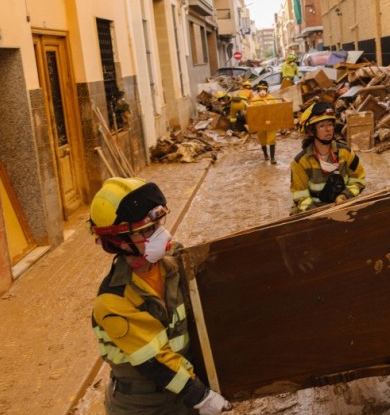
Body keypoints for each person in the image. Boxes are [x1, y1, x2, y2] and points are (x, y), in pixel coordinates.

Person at [89, 177, 232, 415]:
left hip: (181, 393)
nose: (161, 234)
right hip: (144, 406)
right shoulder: (114, 301)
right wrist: (201, 396)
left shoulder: (174, 263)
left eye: (158, 225)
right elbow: (155, 360)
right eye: (146, 230)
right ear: (120, 242)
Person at [290, 101, 366, 213]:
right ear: (311, 131)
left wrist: (344, 196)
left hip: (343, 206)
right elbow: (300, 196)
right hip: (314, 212)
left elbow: (359, 180)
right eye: (322, 126)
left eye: (330, 124)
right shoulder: (300, 162)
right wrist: (318, 213)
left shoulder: (346, 153)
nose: (328, 129)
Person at [247, 81, 279, 164]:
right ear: (258, 90)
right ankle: (265, 155)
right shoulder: (254, 100)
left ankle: (272, 158)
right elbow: (252, 112)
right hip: (260, 122)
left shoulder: (271, 98)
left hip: (271, 122)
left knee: (272, 139)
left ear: (267, 89)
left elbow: (278, 108)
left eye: (264, 89)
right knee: (262, 139)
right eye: (260, 89)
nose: (262, 91)